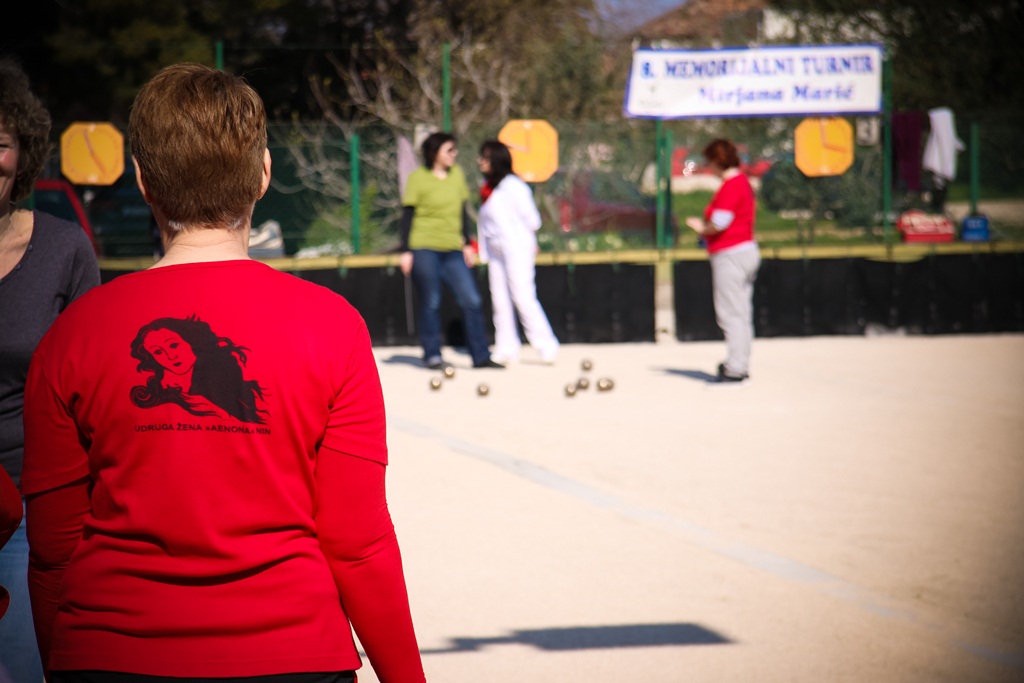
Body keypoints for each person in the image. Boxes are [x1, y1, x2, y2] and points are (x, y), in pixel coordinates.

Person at [21, 63, 425, 682]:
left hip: (113, 653)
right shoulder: (333, 326)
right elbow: (356, 540)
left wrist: (69, 662)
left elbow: (52, 552)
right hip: (293, 655)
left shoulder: (71, 334)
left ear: (142, 182)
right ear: (264, 175)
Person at [0, 56, 101, 682]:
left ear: (24, 151)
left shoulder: (64, 249)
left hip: (31, 512)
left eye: (0, 142)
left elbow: (96, 391)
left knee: (29, 668)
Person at [399, 132, 503, 369]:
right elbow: (407, 216)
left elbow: (462, 212)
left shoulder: (457, 175)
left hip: (453, 248)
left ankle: (480, 356)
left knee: (472, 300)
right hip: (424, 247)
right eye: (449, 150)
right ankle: (432, 354)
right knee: (432, 300)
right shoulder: (418, 179)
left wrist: (467, 243)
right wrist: (406, 251)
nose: (454, 154)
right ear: (434, 153)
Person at [476, 140, 559, 365]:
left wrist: (527, 242)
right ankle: (506, 348)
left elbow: (533, 220)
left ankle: (546, 345)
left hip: (517, 249)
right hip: (495, 252)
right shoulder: (487, 186)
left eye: (484, 157)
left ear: (497, 160)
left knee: (523, 297)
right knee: (500, 300)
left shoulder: (514, 186)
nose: (479, 161)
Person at [685, 138, 761, 382]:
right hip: (745, 251)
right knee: (741, 312)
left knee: (730, 314)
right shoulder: (742, 182)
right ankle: (738, 362)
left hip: (731, 254)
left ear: (717, 161)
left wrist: (700, 227)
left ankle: (736, 368)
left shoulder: (732, 185)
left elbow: (719, 223)